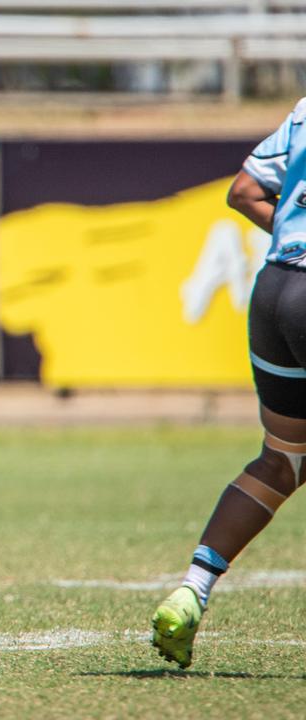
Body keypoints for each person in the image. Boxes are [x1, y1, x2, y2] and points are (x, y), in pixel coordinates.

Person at [151, 97, 306, 669]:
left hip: (277, 287)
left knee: (284, 460)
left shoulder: (305, 110)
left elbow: (244, 190)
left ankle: (191, 588)